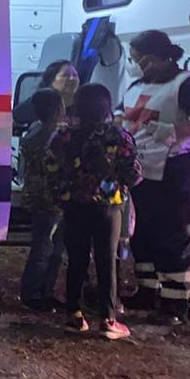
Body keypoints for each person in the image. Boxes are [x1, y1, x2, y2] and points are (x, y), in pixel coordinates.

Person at [119, 30, 190, 326]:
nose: (138, 65)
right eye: (135, 60)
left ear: (162, 57)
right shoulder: (136, 86)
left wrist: (175, 130)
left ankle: (178, 302)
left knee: (173, 236)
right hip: (140, 171)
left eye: (142, 60)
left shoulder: (188, 84)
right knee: (143, 234)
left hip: (173, 169)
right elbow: (123, 119)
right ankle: (148, 291)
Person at [46, 83, 141, 339]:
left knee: (76, 258)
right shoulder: (118, 137)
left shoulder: (63, 136)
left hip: (73, 204)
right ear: (106, 107)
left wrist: (62, 192)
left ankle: (74, 316)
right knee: (107, 259)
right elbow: (133, 173)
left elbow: (51, 168)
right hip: (107, 206)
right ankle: (108, 320)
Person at [19, 88, 67, 311]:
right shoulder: (57, 134)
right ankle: (36, 292)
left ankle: (40, 291)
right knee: (48, 246)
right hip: (53, 198)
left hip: (36, 196)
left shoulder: (33, 131)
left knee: (43, 243)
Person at [14, 60, 81, 125]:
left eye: (75, 75)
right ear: (51, 80)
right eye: (66, 75)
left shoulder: (83, 104)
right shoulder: (40, 102)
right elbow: (15, 116)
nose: (72, 78)